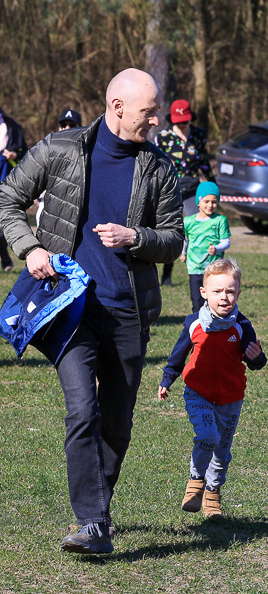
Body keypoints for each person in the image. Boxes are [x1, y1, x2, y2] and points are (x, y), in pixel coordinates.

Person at [0, 68, 184, 554]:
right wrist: (30, 248)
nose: (156, 121)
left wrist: (135, 237)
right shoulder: (61, 148)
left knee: (117, 423)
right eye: (149, 112)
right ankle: (93, 522)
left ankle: (96, 514)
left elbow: (174, 240)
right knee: (83, 409)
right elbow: (7, 199)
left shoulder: (159, 167)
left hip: (129, 312)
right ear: (117, 107)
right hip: (70, 307)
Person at [158, 258, 267, 519]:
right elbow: (178, 356)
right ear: (204, 292)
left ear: (238, 293)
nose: (224, 297)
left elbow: (256, 361)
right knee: (208, 436)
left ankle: (212, 494)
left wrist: (257, 358)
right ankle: (196, 481)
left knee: (222, 451)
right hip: (199, 393)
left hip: (231, 398)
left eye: (230, 291)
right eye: (217, 291)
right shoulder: (194, 323)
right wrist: (167, 379)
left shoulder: (243, 327)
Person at [156, 98, 211, 286]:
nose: (182, 125)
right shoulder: (163, 137)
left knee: (198, 230)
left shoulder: (199, 135)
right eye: (178, 122)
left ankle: (199, 273)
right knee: (172, 230)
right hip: (170, 189)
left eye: (185, 121)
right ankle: (167, 275)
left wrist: (212, 184)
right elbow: (157, 164)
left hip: (192, 189)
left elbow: (204, 161)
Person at [181, 181, 231, 312]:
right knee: (196, 301)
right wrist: (183, 253)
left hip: (214, 268)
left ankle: (214, 322)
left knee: (213, 301)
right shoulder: (188, 221)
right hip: (194, 267)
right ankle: (198, 322)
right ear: (198, 202)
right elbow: (186, 240)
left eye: (214, 202)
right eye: (206, 201)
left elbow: (226, 242)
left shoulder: (220, 220)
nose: (210, 205)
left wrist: (217, 249)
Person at [0, 106, 28, 271]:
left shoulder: (12, 126)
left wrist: (14, 155)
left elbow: (25, 152)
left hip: (6, 175)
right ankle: (5, 257)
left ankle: (6, 255)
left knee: (3, 221)